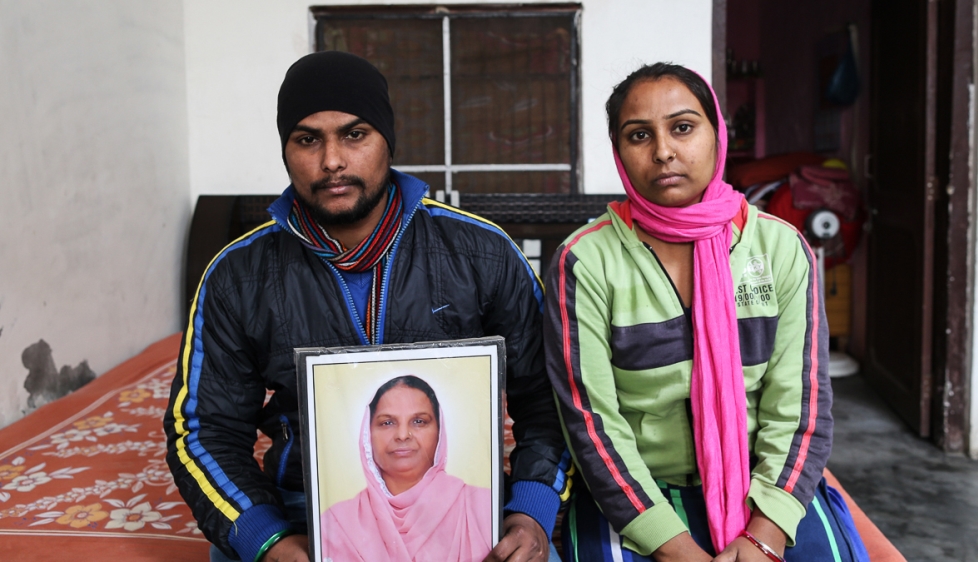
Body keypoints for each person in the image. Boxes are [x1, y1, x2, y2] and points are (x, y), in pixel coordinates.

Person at [164, 51, 569, 562]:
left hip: (465, 509)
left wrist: (531, 510)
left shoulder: (481, 253)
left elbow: (549, 400)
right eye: (308, 139)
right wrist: (264, 538)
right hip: (299, 511)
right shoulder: (237, 275)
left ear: (388, 141)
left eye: (354, 135)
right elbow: (204, 428)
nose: (332, 160)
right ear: (286, 150)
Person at [544, 63, 868, 562]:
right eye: (638, 135)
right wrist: (673, 547)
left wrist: (766, 531)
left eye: (682, 126)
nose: (663, 151)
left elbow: (800, 405)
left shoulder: (779, 247)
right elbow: (590, 422)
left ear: (717, 133)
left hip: (764, 485)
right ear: (619, 152)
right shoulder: (585, 260)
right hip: (638, 492)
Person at [321, 375, 492, 562]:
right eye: (387, 422)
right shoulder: (335, 523)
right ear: (367, 434)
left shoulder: (482, 507)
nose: (403, 435)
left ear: (440, 432)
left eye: (419, 421)